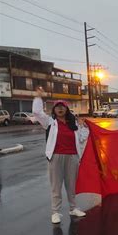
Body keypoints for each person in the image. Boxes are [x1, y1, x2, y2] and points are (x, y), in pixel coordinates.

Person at [32, 87, 88, 224]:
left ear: (66, 109)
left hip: (73, 157)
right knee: (56, 186)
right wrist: (38, 97)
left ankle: (73, 208)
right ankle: (55, 212)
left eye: (63, 107)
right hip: (56, 157)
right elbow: (37, 112)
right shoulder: (50, 122)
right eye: (57, 107)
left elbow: (82, 138)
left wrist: (83, 126)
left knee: (71, 185)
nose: (60, 109)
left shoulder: (73, 124)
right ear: (54, 111)